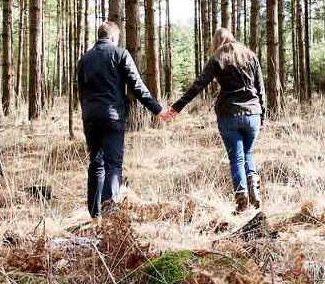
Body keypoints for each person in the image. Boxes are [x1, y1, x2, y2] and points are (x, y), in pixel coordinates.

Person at [161, 27, 266, 213]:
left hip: (229, 114)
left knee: (236, 157)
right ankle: (255, 192)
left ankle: (241, 197)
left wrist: (176, 108)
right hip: (253, 114)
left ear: (216, 42)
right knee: (248, 153)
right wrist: (263, 115)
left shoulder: (217, 58)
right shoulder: (250, 55)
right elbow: (260, 88)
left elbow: (198, 85)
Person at [75, 20, 166, 218]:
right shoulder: (120, 54)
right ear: (114, 38)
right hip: (112, 116)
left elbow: (80, 92)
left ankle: (94, 215)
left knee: (96, 163)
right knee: (113, 164)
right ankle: (109, 215)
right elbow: (137, 86)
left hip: (90, 117)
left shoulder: (84, 59)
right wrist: (157, 110)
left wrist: (87, 112)